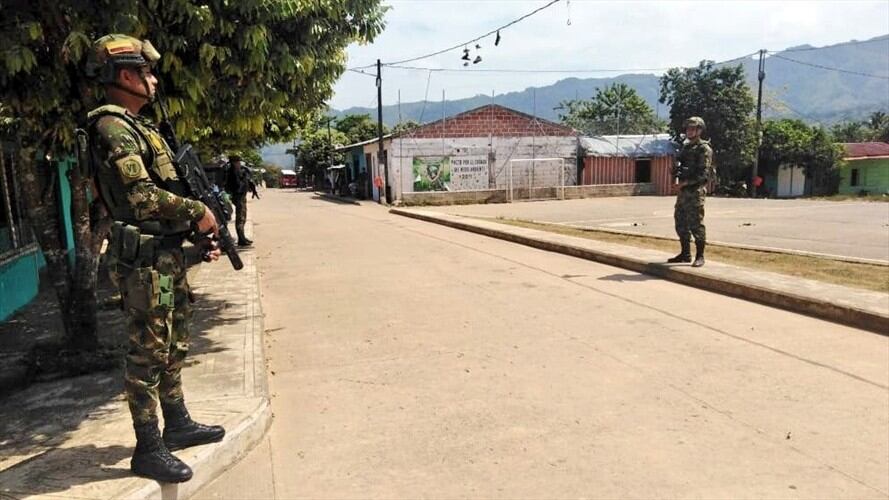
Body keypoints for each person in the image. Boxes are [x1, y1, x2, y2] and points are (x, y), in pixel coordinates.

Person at [84, 34, 225, 483]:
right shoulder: (112, 127)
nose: (155, 80)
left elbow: (169, 190)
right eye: (147, 72)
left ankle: (177, 423)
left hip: (164, 255)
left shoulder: (141, 126)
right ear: (125, 76)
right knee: (148, 350)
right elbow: (142, 197)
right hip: (142, 261)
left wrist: (196, 233)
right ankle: (147, 447)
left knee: (175, 340)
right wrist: (198, 212)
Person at [668, 116, 713, 267]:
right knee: (680, 222)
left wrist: (684, 183)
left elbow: (703, 175)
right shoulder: (686, 148)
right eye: (688, 128)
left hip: (695, 192)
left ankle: (700, 256)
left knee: (696, 224)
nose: (689, 131)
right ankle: (685, 254)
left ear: (699, 130)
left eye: (693, 128)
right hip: (683, 192)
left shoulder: (704, 149)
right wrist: (674, 169)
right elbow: (679, 167)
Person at [223, 155, 253, 246]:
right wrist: (243, 178)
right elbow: (238, 185)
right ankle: (241, 239)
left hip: (239, 196)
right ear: (234, 162)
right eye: (238, 162)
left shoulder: (234, 171)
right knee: (241, 218)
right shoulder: (233, 172)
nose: (239, 164)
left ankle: (242, 237)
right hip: (239, 196)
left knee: (242, 217)